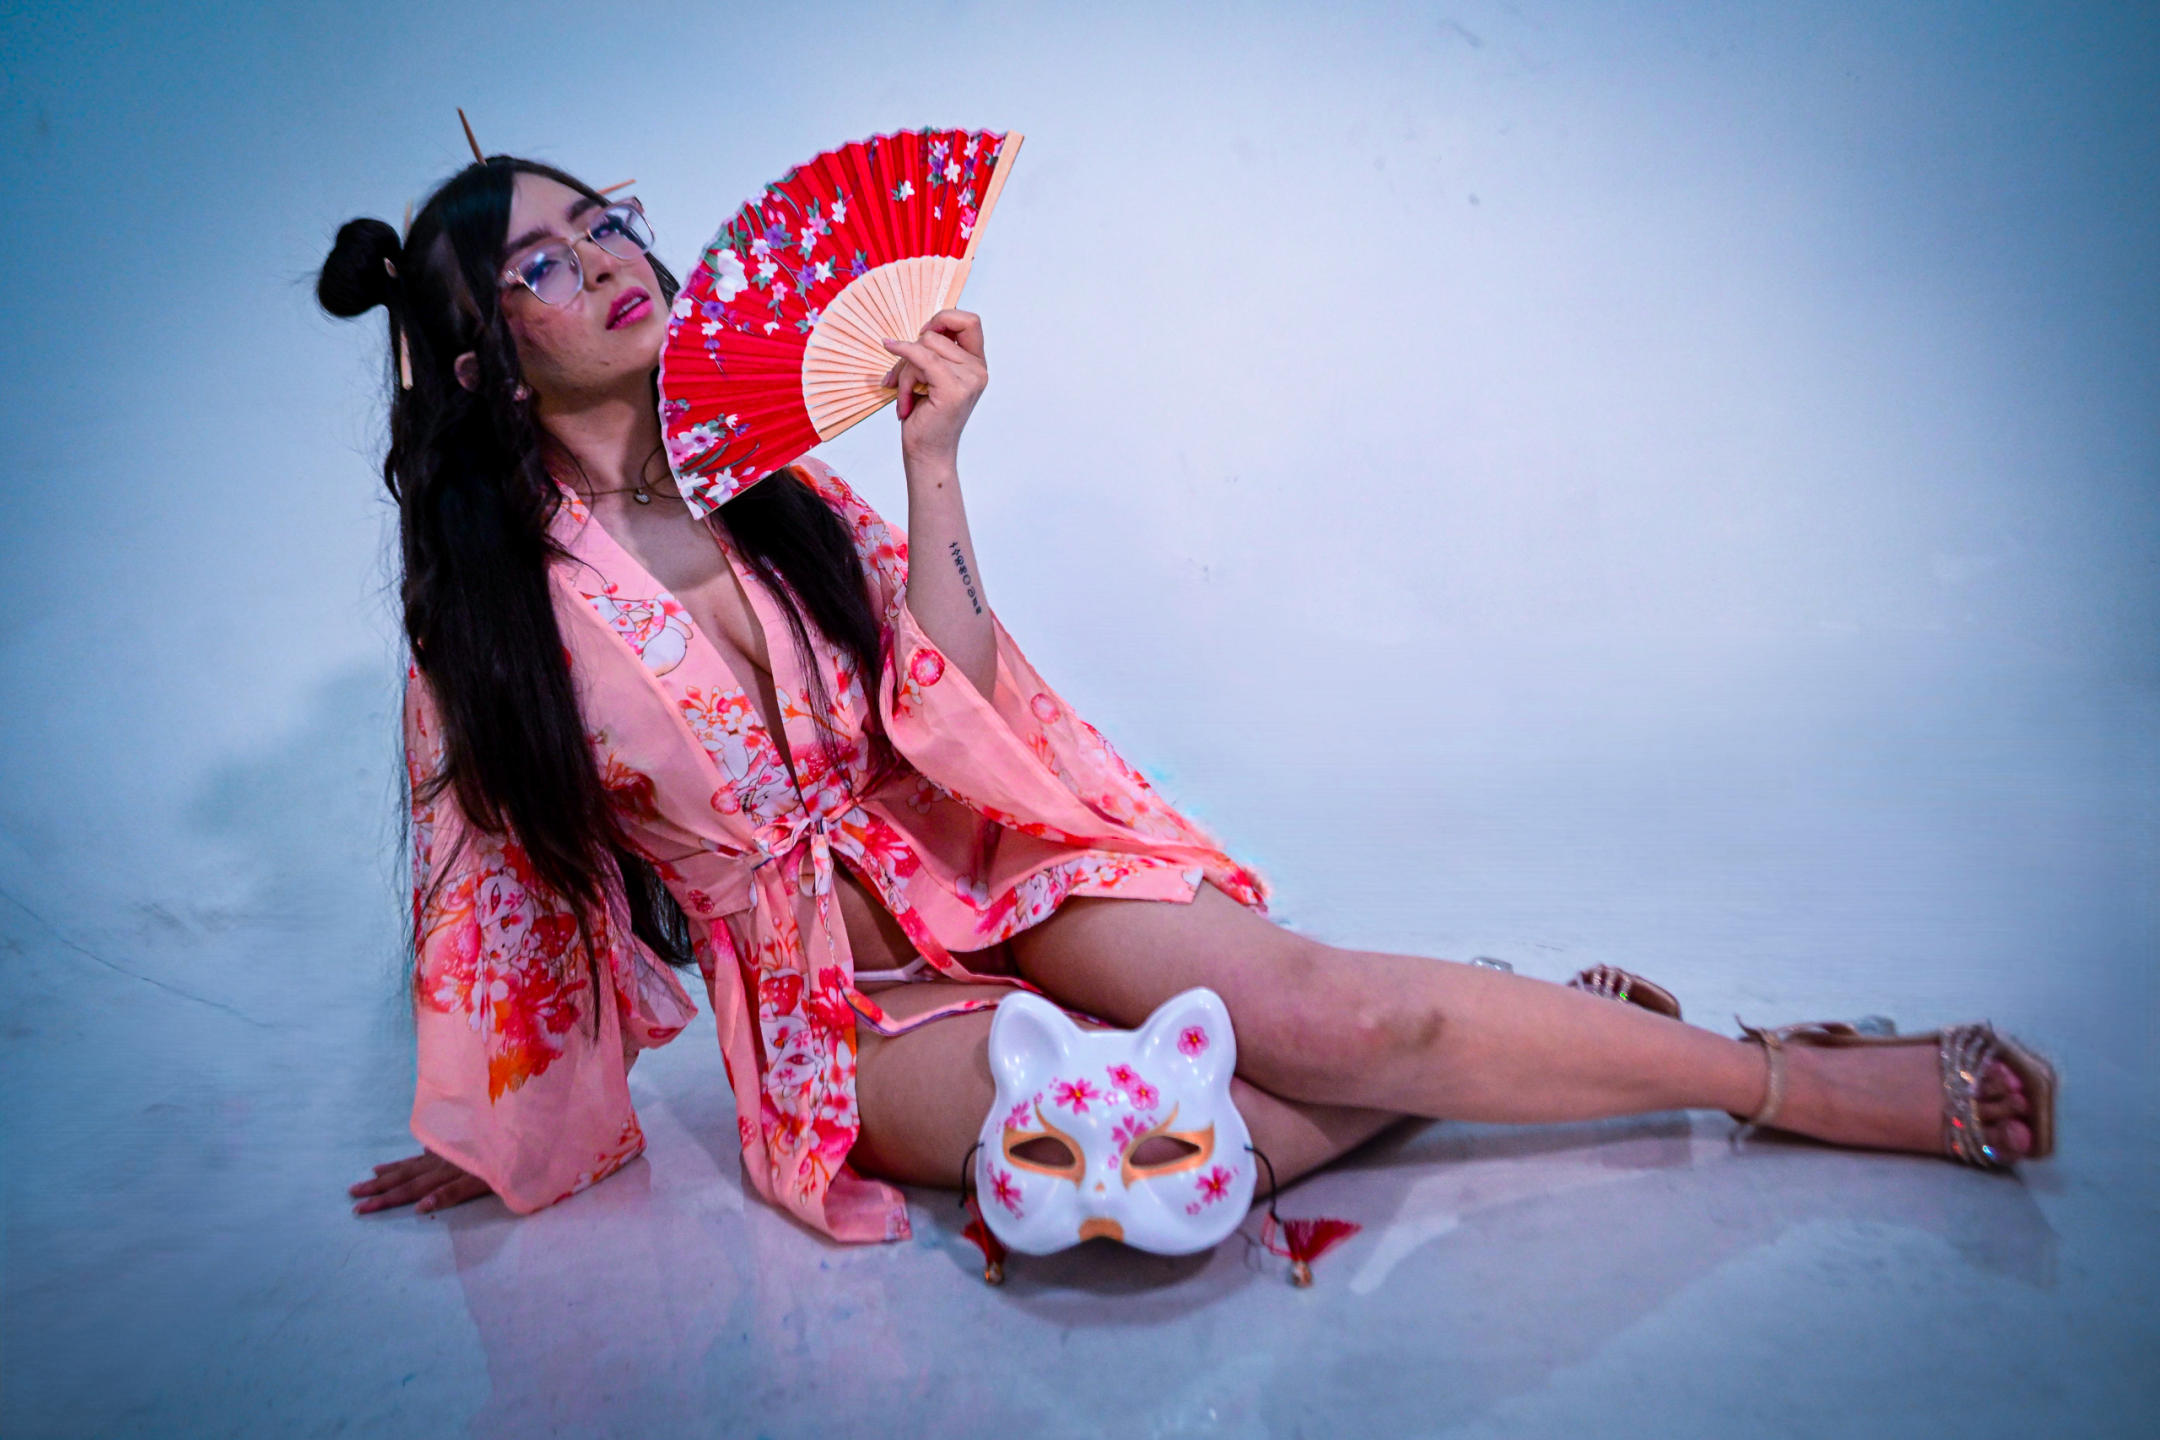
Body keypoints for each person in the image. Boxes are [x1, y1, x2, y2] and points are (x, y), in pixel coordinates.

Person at [324, 154, 2053, 1236]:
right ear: (480, 358)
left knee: (1352, 1019)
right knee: (1134, 1166)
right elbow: (496, 901)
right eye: (543, 261)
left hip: (983, 867)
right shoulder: (491, 631)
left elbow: (955, 708)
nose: (607, 255)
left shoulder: (780, 493)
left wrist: (934, 460)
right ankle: (1531, 1027)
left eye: (605, 218)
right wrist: (497, 1131)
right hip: (829, 1000)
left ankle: (1779, 1075)